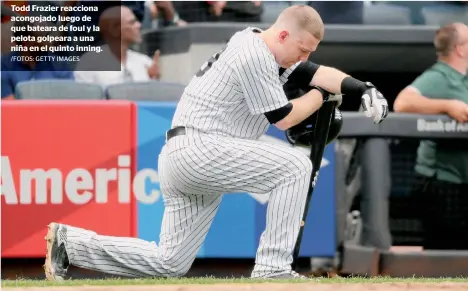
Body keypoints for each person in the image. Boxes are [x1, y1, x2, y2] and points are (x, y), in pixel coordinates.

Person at [44, 5, 388, 281]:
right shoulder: (254, 54)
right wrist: (321, 97)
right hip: (201, 147)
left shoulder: (265, 47)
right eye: (300, 49)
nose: (301, 58)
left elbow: (315, 71)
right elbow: (283, 116)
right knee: (295, 165)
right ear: (283, 34)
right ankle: (273, 269)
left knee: (170, 263)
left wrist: (361, 88)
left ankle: (70, 244)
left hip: (189, 155)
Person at [394, 22, 468, 250]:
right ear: (460, 49)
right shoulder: (439, 76)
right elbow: (402, 102)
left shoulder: (463, 78)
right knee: (445, 255)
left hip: (461, 181)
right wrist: (447, 105)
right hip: (443, 184)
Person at [74, 6, 161, 87]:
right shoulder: (89, 64)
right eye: (132, 22)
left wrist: (152, 82)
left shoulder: (145, 63)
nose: (139, 25)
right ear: (114, 30)